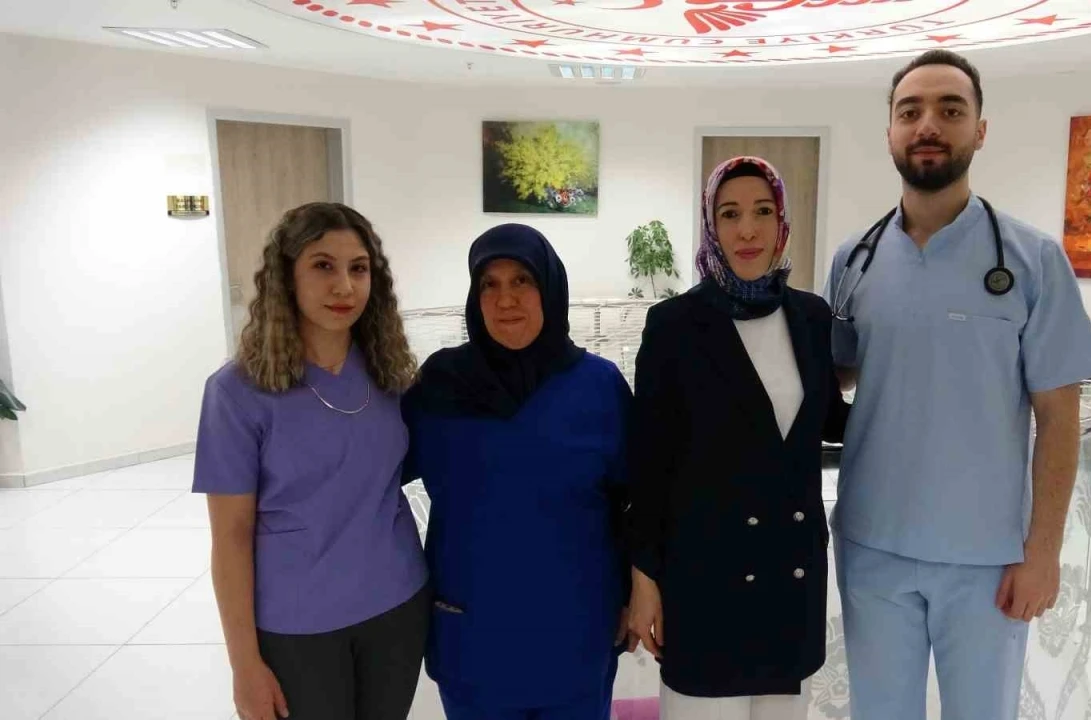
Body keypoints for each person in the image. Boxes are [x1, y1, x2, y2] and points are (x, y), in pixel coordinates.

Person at [824, 49, 1091, 720]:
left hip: (987, 558)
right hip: (872, 544)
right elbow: (831, 380)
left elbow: (1059, 417)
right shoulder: (854, 260)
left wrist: (1043, 553)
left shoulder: (1032, 260)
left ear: (979, 130)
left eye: (950, 110)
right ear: (889, 132)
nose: (928, 125)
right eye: (910, 111)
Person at [626, 156, 849, 720]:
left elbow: (829, 422)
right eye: (730, 214)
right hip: (705, 578)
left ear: (781, 222)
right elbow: (649, 463)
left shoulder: (811, 317)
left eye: (762, 211)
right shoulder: (675, 325)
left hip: (788, 576)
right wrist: (644, 577)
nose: (747, 230)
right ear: (711, 225)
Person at [193, 202, 427, 720]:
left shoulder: (390, 375)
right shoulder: (236, 393)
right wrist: (244, 666)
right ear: (286, 277)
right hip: (298, 624)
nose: (344, 286)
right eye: (323, 266)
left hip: (398, 605)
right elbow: (230, 537)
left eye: (358, 268)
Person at [400, 223, 631, 720]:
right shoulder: (441, 385)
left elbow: (634, 499)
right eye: (490, 284)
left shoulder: (598, 386)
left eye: (522, 280)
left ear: (550, 287)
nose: (505, 299)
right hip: (475, 636)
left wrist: (635, 593)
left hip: (576, 632)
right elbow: (372, 473)